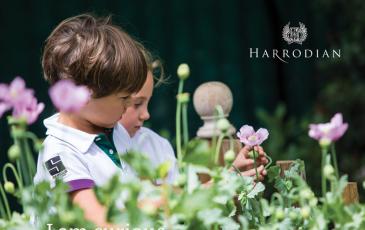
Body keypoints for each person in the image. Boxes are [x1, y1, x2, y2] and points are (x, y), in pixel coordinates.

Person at [34, 14, 148, 227]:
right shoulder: (57, 155)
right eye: (124, 98)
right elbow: (99, 222)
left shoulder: (112, 130)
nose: (128, 106)